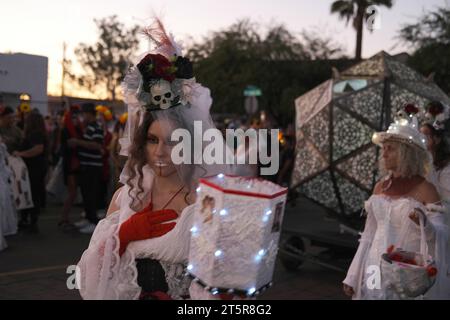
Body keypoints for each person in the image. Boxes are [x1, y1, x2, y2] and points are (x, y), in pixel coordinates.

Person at [77, 20, 234, 300]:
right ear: (141, 144)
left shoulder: (205, 202)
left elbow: (223, 284)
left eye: (173, 141)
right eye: (152, 140)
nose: (161, 151)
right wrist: (122, 236)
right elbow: (87, 280)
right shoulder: (125, 198)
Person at [343, 113, 450, 299]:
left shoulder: (425, 189)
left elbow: (443, 234)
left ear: (406, 153)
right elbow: (368, 235)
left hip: (407, 276)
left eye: (390, 149)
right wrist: (353, 276)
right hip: (373, 269)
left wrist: (425, 223)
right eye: (383, 149)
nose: (383, 154)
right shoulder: (380, 187)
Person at [68, 103, 104, 234]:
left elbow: (96, 145)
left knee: (90, 195)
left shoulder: (97, 127)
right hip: (86, 166)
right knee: (85, 194)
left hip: (93, 167)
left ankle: (93, 222)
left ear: (90, 114)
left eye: (84, 114)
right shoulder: (88, 127)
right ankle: (88, 219)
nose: (83, 117)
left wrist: (78, 142)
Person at [14, 112, 48, 234]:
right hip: (37, 168)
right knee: (33, 194)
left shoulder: (35, 134)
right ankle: (28, 220)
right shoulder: (38, 133)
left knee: (32, 194)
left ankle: (31, 221)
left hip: (34, 169)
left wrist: (21, 154)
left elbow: (38, 149)